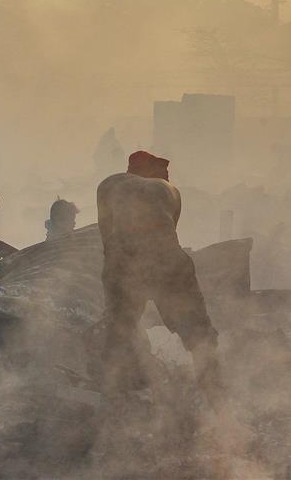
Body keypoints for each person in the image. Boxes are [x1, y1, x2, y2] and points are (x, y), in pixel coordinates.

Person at [96, 151, 223, 407]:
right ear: (150, 171)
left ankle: (112, 396)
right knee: (199, 336)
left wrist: (114, 284)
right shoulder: (170, 190)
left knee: (118, 330)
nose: (167, 176)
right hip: (170, 265)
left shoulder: (109, 185)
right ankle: (218, 402)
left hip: (125, 262)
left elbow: (107, 238)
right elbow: (167, 235)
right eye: (164, 172)